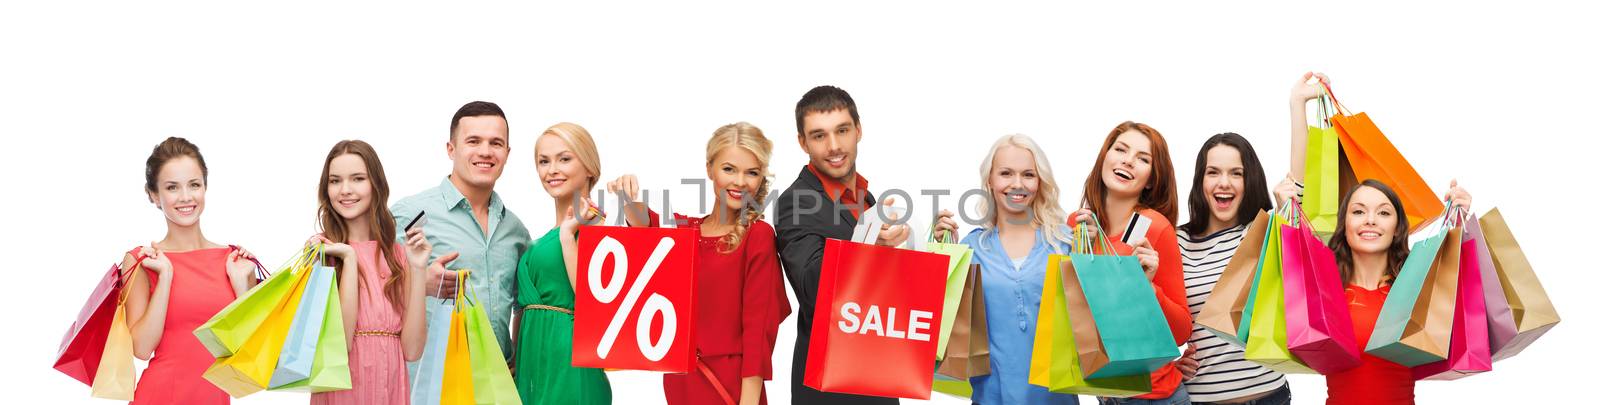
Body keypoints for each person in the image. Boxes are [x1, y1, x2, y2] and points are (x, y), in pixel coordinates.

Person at [1278, 72, 1472, 405]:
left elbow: (1467, 308)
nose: (1370, 219)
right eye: (1358, 211)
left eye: (1383, 212)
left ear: (1398, 227)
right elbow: (1298, 189)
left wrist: (1459, 225)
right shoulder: (1328, 285)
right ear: (1343, 225)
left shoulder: (1413, 286)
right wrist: (1298, 105)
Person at [774, 85, 957, 404]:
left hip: (878, 379)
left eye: (842, 130)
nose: (834, 146)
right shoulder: (796, 202)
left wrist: (932, 247)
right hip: (829, 390)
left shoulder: (866, 200)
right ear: (803, 143)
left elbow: (885, 290)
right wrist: (871, 249)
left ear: (858, 130)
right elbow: (811, 288)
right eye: (819, 136)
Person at [605, 122, 792, 405]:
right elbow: (649, 227)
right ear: (709, 169)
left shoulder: (758, 236)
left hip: (733, 386)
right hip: (681, 381)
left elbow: (758, 332)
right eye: (729, 169)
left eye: (751, 173)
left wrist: (749, 402)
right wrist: (627, 198)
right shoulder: (686, 231)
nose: (740, 182)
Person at [391, 101, 531, 377]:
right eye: (473, 141)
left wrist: (518, 360)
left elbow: (523, 307)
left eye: (496, 143)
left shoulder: (516, 231)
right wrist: (418, 283)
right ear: (451, 149)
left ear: (507, 152)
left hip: (495, 386)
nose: (485, 152)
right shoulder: (410, 214)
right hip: (431, 384)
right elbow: (371, 289)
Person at [121, 137, 260, 404]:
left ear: (205, 187)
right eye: (172, 187)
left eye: (194, 185)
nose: (186, 197)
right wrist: (165, 279)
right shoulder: (143, 260)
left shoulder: (233, 261)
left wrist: (243, 286)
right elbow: (141, 348)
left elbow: (246, 354)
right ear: (153, 195)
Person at [1069, 121, 1190, 405]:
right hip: (1105, 392)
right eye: (1120, 149)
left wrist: (1147, 286)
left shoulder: (1155, 228)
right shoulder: (1077, 225)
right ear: (1104, 157)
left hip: (1156, 397)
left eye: (1143, 158)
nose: (1128, 160)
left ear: (1150, 178)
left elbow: (1182, 331)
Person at [306, 140, 433, 404]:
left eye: (358, 178)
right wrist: (349, 260)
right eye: (335, 181)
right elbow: (339, 346)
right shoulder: (320, 252)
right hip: (341, 392)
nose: (345, 190)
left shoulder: (397, 256)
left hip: (390, 389)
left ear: (376, 184)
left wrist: (418, 268)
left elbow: (412, 350)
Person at [958, 134, 1077, 404]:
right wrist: (942, 255)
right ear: (990, 180)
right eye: (1006, 173)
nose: (1017, 184)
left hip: (1056, 399)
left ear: (1040, 182)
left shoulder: (1065, 242)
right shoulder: (971, 247)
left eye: (1028, 174)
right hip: (991, 397)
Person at [1174, 133, 1291, 404]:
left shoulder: (1260, 231)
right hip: (1201, 399)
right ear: (1200, 181)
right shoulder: (1176, 240)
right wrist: (1167, 363)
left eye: (1236, 173)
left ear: (1249, 181)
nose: (1224, 182)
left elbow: (1301, 181)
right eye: (1213, 172)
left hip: (1269, 396)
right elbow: (1150, 316)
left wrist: (1296, 103)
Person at [513, 122, 612, 404]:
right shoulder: (547, 235)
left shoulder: (595, 229)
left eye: (564, 159)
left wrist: (569, 238)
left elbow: (594, 307)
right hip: (534, 364)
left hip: (570, 367)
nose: (551, 169)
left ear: (590, 167)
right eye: (543, 161)